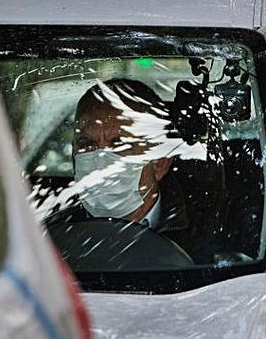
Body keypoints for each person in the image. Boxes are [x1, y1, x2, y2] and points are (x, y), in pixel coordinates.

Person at [48, 78, 197, 256]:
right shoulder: (50, 241)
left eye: (120, 145)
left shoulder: (206, 233)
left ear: (160, 162)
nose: (101, 160)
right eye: (87, 144)